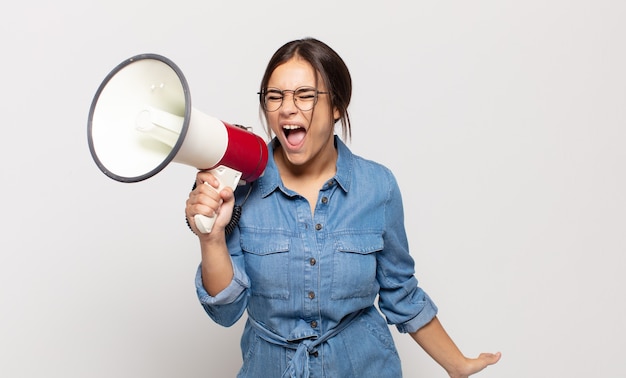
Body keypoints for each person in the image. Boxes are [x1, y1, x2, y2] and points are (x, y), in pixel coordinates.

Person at [185, 37, 501, 378]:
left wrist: (458, 365)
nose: (286, 108)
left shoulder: (378, 186)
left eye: (304, 95)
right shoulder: (241, 187)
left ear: (337, 105)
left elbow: (401, 293)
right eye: (274, 97)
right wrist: (212, 237)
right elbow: (226, 312)